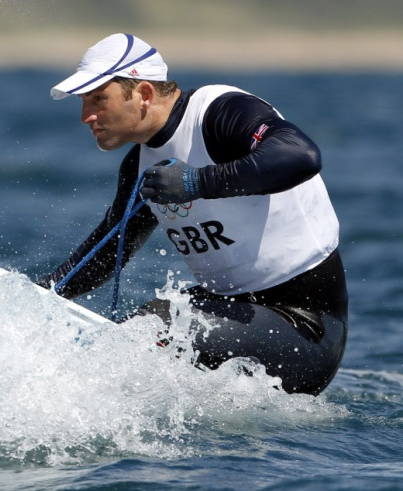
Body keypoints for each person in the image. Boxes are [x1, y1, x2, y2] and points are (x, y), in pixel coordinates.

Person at [35, 33, 348, 395]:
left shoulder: (219, 112)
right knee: (125, 334)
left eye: (98, 99)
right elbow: (105, 252)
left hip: (306, 329)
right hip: (229, 315)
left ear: (144, 94)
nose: (85, 116)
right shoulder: (139, 167)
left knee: (155, 326)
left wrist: (198, 182)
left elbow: (302, 156)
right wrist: (38, 295)